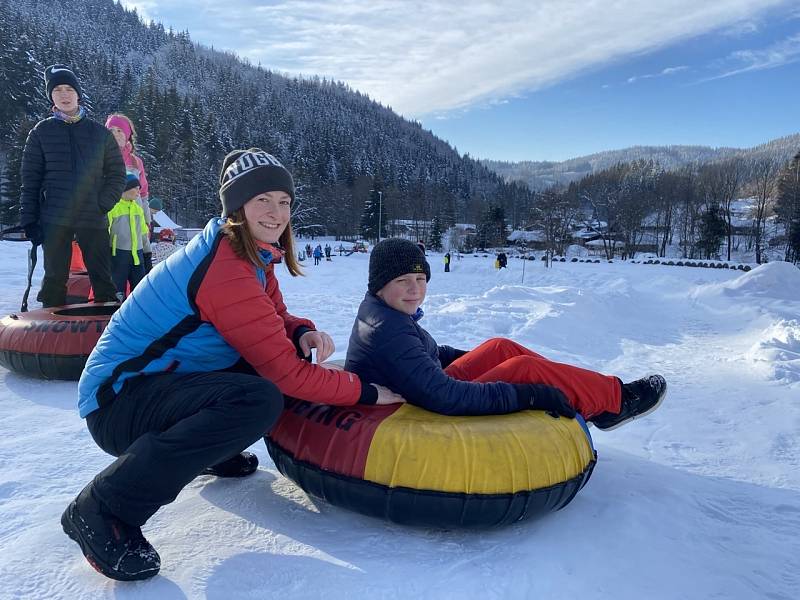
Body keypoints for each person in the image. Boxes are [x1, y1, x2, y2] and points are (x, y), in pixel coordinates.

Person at [61, 149, 403, 581]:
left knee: (270, 369)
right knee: (258, 399)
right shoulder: (226, 266)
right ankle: (104, 508)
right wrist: (366, 392)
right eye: (263, 199)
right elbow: (285, 375)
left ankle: (205, 450)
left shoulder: (251, 253)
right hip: (118, 403)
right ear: (236, 205)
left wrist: (300, 331)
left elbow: (271, 316)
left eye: (284, 201)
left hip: (163, 384)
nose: (277, 212)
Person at [346, 238, 667, 424]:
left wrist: (474, 358)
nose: (415, 290)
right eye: (403, 281)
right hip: (418, 410)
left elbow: (423, 355)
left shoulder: (384, 311)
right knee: (523, 371)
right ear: (381, 284)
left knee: (500, 347)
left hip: (419, 389)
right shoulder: (388, 328)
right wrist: (529, 393)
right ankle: (616, 401)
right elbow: (443, 396)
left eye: (421, 280)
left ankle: (594, 398)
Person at [19, 64, 125, 307]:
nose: (64, 95)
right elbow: (30, 180)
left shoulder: (100, 134)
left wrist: (103, 203)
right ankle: (50, 340)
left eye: (69, 89)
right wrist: (29, 219)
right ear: (51, 96)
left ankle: (108, 334)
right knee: (55, 278)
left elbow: (117, 173)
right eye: (57, 90)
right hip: (55, 217)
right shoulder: (40, 133)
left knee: (103, 279)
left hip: (93, 217)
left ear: (78, 93)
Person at [105, 114, 153, 273]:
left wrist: (147, 220)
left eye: (119, 130)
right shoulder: (101, 159)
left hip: (136, 220)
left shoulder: (136, 162)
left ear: (128, 135)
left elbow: (144, 194)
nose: (115, 134)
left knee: (138, 271)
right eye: (111, 130)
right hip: (114, 221)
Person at [107, 174, 148, 299]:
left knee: (140, 291)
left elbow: (143, 232)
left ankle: (138, 314)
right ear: (125, 188)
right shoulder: (113, 207)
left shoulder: (138, 209)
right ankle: (115, 312)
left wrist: (147, 253)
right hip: (118, 255)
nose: (138, 191)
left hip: (138, 255)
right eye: (135, 188)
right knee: (117, 289)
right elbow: (105, 232)